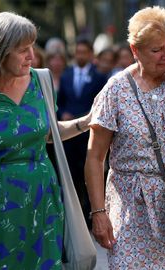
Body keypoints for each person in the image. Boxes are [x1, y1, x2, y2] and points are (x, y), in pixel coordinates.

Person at [84, 6, 165, 269]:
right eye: (156, 50)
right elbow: (94, 157)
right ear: (135, 51)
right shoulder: (116, 89)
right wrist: (99, 213)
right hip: (133, 212)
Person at [0, 12, 92, 269]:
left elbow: (47, 133)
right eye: (22, 50)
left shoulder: (40, 81)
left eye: (32, 48)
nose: (32, 56)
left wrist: (86, 121)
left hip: (40, 202)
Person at [57, 38, 107, 227]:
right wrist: (63, 113)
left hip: (88, 133)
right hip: (69, 137)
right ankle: (72, 220)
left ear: (90, 54)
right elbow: (60, 101)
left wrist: (84, 117)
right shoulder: (66, 75)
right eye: (77, 52)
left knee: (89, 175)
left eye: (84, 52)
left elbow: (100, 104)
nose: (80, 55)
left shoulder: (99, 77)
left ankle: (91, 217)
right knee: (71, 177)